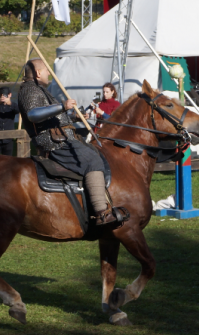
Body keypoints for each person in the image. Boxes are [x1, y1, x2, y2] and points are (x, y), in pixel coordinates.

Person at [18, 59, 126, 227]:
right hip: (55, 142)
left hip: (64, 136)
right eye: (46, 71)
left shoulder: (40, 90)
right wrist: (62, 106)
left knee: (98, 153)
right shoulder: (29, 90)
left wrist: (75, 116)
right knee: (92, 159)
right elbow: (33, 114)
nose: (48, 74)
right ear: (38, 73)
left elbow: (55, 119)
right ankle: (101, 214)